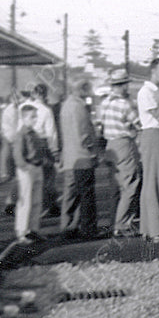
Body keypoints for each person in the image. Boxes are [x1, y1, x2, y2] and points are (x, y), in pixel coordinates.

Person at [98, 69, 141, 237]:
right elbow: (138, 124)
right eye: (126, 85)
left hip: (110, 146)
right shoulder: (125, 104)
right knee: (130, 184)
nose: (127, 87)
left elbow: (100, 124)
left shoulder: (105, 103)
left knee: (116, 186)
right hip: (124, 144)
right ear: (122, 86)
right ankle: (122, 224)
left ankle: (114, 221)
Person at [59, 77, 100, 239]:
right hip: (82, 156)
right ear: (82, 90)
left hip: (69, 156)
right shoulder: (79, 107)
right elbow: (84, 134)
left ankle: (68, 226)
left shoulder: (66, 105)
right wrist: (93, 152)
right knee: (86, 195)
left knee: (70, 194)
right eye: (88, 89)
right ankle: (89, 229)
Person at [137, 58, 159, 242]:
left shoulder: (154, 91)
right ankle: (156, 231)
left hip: (157, 134)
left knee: (151, 182)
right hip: (153, 134)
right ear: (153, 72)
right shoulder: (147, 91)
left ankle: (147, 227)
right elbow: (157, 115)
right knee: (155, 182)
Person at [13, 103, 53, 242]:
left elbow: (38, 150)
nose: (35, 119)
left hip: (37, 166)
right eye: (32, 117)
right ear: (24, 118)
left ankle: (33, 229)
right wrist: (24, 166)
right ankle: (22, 231)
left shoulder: (34, 133)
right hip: (28, 168)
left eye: (35, 116)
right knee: (26, 201)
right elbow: (17, 154)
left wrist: (43, 161)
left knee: (36, 201)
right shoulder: (21, 134)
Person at [31, 84, 60, 217]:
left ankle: (37, 206)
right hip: (43, 145)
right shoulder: (46, 110)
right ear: (45, 95)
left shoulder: (25, 107)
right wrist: (55, 150)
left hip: (29, 144)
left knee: (34, 178)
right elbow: (51, 132)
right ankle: (49, 205)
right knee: (48, 177)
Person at [0, 92, 21, 214]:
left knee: (19, 176)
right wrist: (14, 141)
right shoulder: (9, 111)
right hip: (13, 142)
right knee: (19, 175)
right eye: (15, 98)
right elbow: (9, 128)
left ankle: (11, 201)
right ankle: (11, 202)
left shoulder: (18, 109)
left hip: (16, 141)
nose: (18, 100)